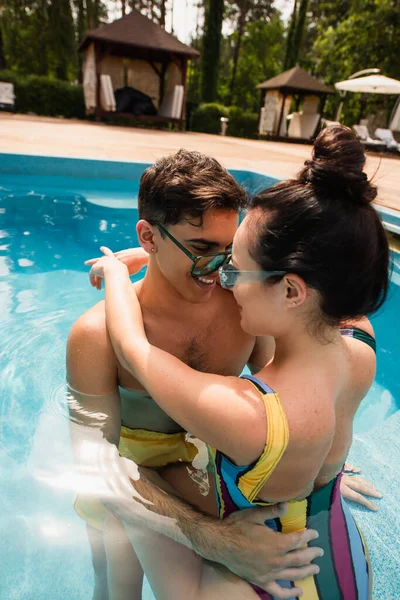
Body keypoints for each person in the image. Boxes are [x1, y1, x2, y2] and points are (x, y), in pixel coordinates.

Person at [92, 126, 389, 599]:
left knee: (127, 480)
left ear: (291, 290)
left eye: (235, 266)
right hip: (343, 566)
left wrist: (112, 271)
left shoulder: (246, 413)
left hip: (269, 584)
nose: (223, 281)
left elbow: (133, 348)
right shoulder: (359, 346)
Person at [67, 150, 324, 600]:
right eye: (202, 250)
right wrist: (210, 537)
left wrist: (323, 456)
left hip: (207, 468)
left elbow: (278, 389)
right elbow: (96, 465)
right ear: (149, 236)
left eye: (229, 252)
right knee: (113, 586)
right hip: (131, 479)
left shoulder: (243, 307)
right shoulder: (95, 336)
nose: (219, 271)